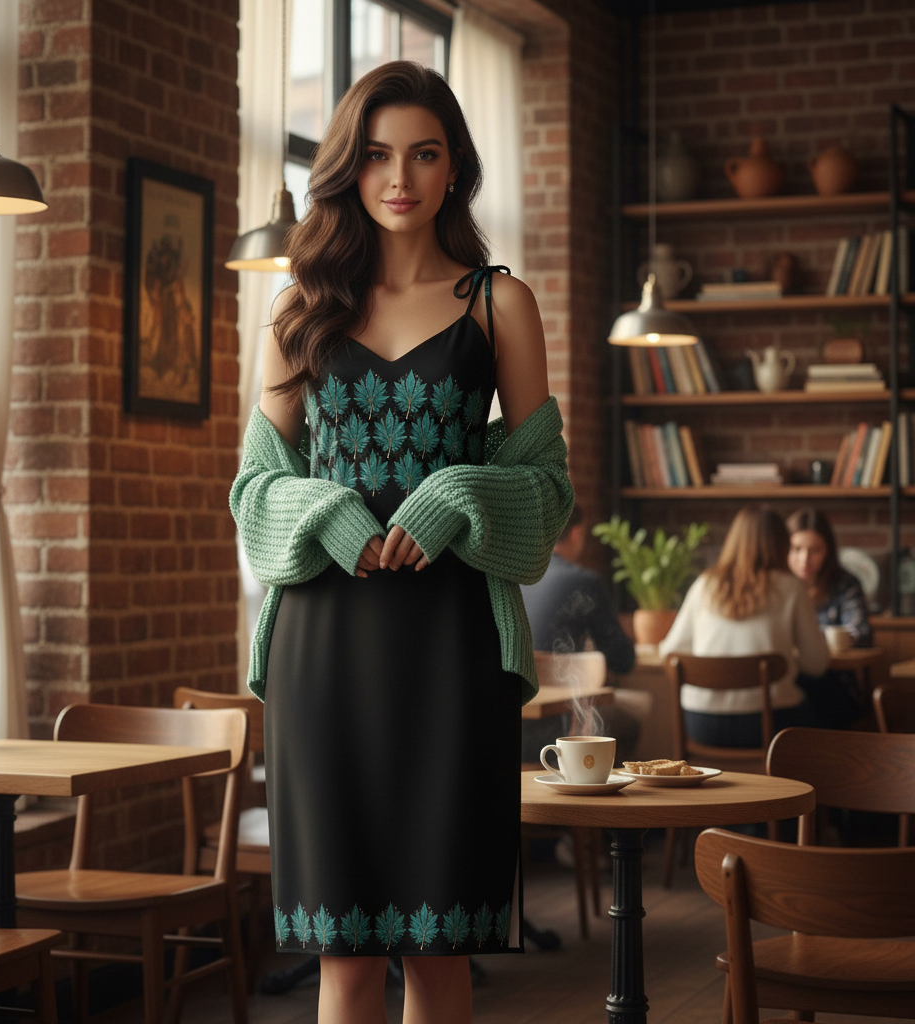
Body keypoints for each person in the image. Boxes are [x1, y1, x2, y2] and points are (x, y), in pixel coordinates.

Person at [229, 62, 573, 1024]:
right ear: (348, 165)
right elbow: (253, 491)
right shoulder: (299, 308)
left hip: (454, 648)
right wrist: (324, 514)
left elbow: (549, 493)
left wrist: (456, 494)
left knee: (438, 953)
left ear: (454, 166)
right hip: (322, 651)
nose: (399, 175)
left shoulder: (499, 305)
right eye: (377, 153)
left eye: (424, 153)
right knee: (343, 955)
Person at [658, 507, 829, 748]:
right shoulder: (791, 588)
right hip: (768, 722)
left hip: (702, 722)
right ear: (781, 544)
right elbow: (817, 665)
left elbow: (670, 653)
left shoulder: (705, 584)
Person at [520, 504, 638, 764]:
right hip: (561, 728)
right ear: (575, 534)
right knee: (628, 726)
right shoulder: (584, 581)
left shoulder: (515, 576)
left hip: (506, 724)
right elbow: (623, 660)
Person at [786, 507, 872, 727]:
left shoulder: (844, 584)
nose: (804, 559)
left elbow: (861, 632)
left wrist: (813, 641)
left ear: (828, 551)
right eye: (796, 549)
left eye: (815, 550)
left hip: (834, 681)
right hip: (786, 680)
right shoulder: (779, 586)